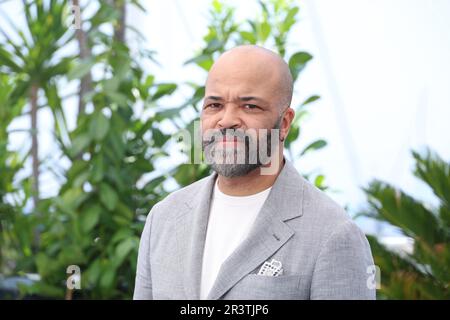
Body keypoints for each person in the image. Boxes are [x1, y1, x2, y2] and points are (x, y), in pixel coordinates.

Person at [133, 45, 376, 300]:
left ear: (284, 123)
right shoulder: (163, 218)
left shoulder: (333, 233)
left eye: (249, 106)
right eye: (214, 105)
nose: (226, 120)